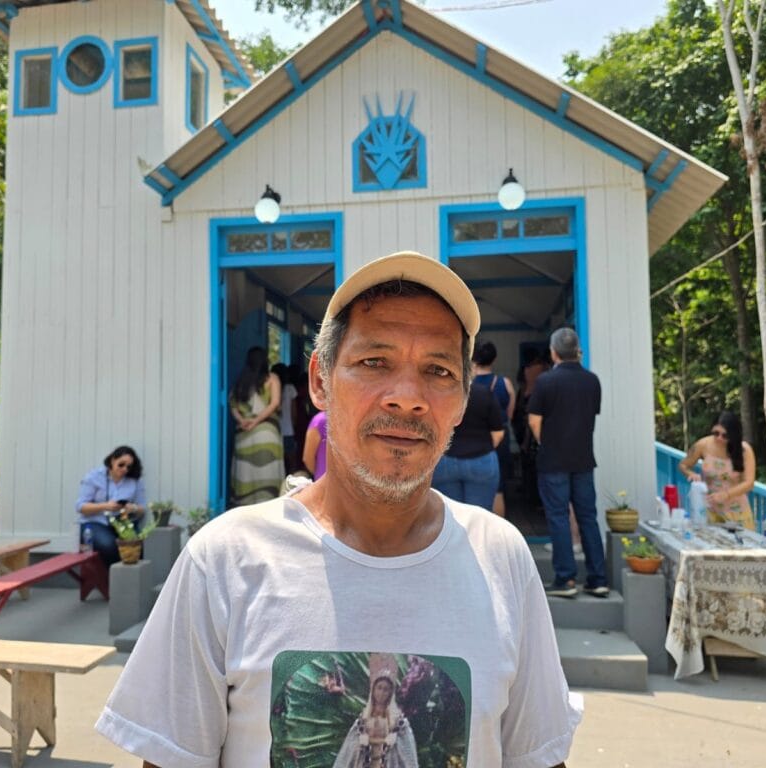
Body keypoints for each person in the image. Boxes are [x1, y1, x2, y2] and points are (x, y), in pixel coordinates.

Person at [96, 251, 579, 767]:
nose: (407, 398)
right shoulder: (223, 562)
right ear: (320, 381)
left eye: (438, 370)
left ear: (461, 401)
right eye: (375, 362)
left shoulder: (501, 558)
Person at [527, 327, 608, 598]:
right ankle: (598, 579)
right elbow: (590, 416)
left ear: (553, 352)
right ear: (577, 351)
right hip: (584, 458)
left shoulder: (545, 382)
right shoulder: (592, 381)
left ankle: (566, 579)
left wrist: (545, 442)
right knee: (588, 517)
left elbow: (534, 421)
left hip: (553, 460)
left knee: (559, 517)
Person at [430, 378, 503, 510]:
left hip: (444, 459)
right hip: (481, 459)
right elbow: (498, 433)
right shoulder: (484, 393)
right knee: (480, 517)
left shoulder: (439, 394)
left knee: (449, 515)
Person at [678, 410, 756, 530]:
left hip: (736, 511)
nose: (719, 438)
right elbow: (683, 465)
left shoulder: (744, 450)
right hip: (710, 510)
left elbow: (749, 483)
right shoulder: (703, 444)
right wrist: (691, 474)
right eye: (716, 433)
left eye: (725, 435)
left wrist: (726, 494)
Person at [333, 665, 417, 768]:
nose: (381, 693)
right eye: (379, 688)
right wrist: (360, 743)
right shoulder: (362, 721)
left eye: (386, 689)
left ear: (390, 693)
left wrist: (395, 742)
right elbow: (348, 751)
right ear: (373, 690)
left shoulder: (399, 723)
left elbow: (409, 757)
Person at [75, 446, 146, 567]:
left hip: (121, 522)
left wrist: (132, 508)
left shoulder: (134, 480)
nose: (125, 469)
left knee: (136, 545)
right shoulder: (94, 477)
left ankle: (132, 581)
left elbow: (142, 509)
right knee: (109, 545)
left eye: (129, 467)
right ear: (113, 460)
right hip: (95, 522)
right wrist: (105, 506)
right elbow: (80, 507)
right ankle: (113, 581)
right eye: (121, 464)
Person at [229, 346, 284, 505]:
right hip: (267, 433)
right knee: (267, 473)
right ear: (265, 361)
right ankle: (268, 506)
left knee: (247, 474)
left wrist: (242, 420)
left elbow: (232, 404)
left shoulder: (241, 381)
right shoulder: (272, 378)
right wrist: (257, 421)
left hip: (243, 434)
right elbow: (274, 403)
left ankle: (245, 507)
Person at [469, 341, 515, 517]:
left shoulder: (466, 386)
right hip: (500, 437)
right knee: (499, 488)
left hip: (473, 438)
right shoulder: (506, 383)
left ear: (473, 359)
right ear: (494, 359)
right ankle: (497, 536)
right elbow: (510, 414)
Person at [273, 362, 301, 474]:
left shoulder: (270, 388)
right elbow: (294, 412)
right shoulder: (290, 388)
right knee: (291, 462)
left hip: (275, 430)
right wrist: (294, 425)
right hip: (288, 430)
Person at [303, 409, 329, 479]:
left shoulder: (320, 420)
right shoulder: (321, 420)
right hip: (324, 482)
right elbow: (308, 458)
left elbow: (307, 458)